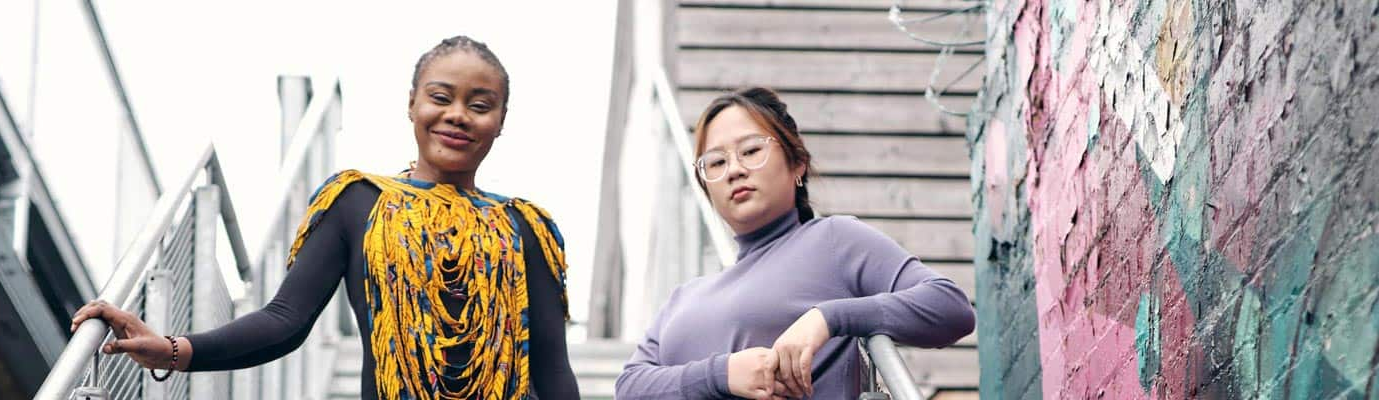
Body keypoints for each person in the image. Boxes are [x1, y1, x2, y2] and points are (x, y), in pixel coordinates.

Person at [70, 36, 580, 399]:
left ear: (501, 122)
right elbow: (285, 321)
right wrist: (173, 349)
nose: (458, 115)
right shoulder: (357, 201)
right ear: (412, 105)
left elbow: (553, 371)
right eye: (441, 98)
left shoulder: (525, 227)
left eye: (481, 105)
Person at [615, 88, 976, 399]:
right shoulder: (681, 299)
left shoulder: (832, 240)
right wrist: (723, 374)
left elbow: (950, 306)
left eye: (751, 151)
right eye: (717, 162)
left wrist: (829, 317)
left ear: (797, 163)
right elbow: (628, 388)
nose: (735, 170)